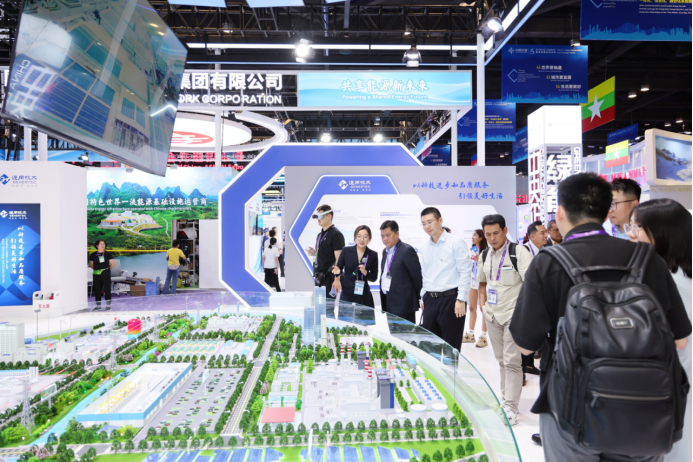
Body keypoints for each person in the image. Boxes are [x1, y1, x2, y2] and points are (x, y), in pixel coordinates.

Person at [510, 173, 691, 461]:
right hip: (643, 405)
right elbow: (680, 340)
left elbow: (525, 346)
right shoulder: (647, 259)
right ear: (607, 211)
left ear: (560, 212)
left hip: (568, 408)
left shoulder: (547, 262)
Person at [627, 199, 692, 462]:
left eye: (637, 227)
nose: (630, 234)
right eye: (630, 226)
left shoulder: (664, 279)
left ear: (663, 232)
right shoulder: (679, 274)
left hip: (672, 379)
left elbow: (679, 340)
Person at [476, 214, 532, 426]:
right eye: (488, 234)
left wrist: (525, 313)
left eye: (496, 233)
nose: (492, 238)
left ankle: (511, 407)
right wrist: (483, 306)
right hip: (492, 314)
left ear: (505, 231)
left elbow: (531, 284)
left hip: (513, 315)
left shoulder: (519, 252)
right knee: (501, 360)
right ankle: (505, 398)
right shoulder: (484, 255)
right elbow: (482, 283)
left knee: (512, 361)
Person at [419, 207, 472, 351]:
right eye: (423, 223)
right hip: (430, 300)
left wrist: (461, 299)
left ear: (440, 220)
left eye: (430, 222)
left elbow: (465, 272)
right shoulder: (425, 246)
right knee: (429, 347)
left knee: (451, 348)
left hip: (451, 301)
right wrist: (423, 297)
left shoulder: (456, 242)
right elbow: (425, 274)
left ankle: (451, 368)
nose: (427, 226)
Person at [379, 220, 422, 323]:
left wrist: (418, 297)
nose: (385, 239)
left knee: (405, 333)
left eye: (388, 235)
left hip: (404, 305)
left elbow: (417, 278)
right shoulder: (385, 251)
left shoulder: (406, 250)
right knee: (393, 333)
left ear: (397, 233)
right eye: (382, 236)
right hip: (389, 302)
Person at [519, 220, 547, 377]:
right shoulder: (522, 250)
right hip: (525, 297)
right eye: (542, 233)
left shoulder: (545, 250)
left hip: (538, 297)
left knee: (533, 332)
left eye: (546, 232)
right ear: (532, 236)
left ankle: (529, 365)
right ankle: (520, 370)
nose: (546, 235)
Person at [332, 225, 379, 307]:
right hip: (347, 293)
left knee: (365, 315)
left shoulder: (373, 255)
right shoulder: (346, 251)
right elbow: (339, 268)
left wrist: (365, 272)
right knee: (346, 315)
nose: (362, 239)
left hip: (364, 295)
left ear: (369, 238)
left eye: (365, 237)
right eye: (359, 236)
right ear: (355, 237)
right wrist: (338, 272)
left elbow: (374, 278)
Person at [306, 204, 345, 298]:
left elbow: (339, 259)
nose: (318, 219)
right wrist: (314, 253)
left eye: (321, 216)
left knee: (328, 305)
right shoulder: (320, 235)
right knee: (320, 305)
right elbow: (324, 253)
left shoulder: (336, 235)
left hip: (329, 278)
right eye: (317, 216)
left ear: (329, 216)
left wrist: (337, 279)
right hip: (320, 277)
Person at [463, 229, 488, 348]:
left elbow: (487, 268)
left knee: (484, 309)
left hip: (483, 282)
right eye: (472, 235)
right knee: (472, 308)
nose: (472, 237)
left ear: (481, 237)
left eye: (474, 235)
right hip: (473, 281)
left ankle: (483, 336)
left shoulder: (486, 251)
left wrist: (479, 259)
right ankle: (470, 334)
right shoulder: (472, 250)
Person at [89, 239, 114, 308]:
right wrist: (98, 269)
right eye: (101, 244)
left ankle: (108, 305)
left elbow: (112, 264)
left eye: (104, 244)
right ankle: (98, 306)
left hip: (105, 272)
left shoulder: (108, 254)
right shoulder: (93, 255)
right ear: (97, 245)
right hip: (96, 273)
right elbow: (91, 265)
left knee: (107, 288)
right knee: (97, 289)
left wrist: (106, 269)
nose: (103, 245)